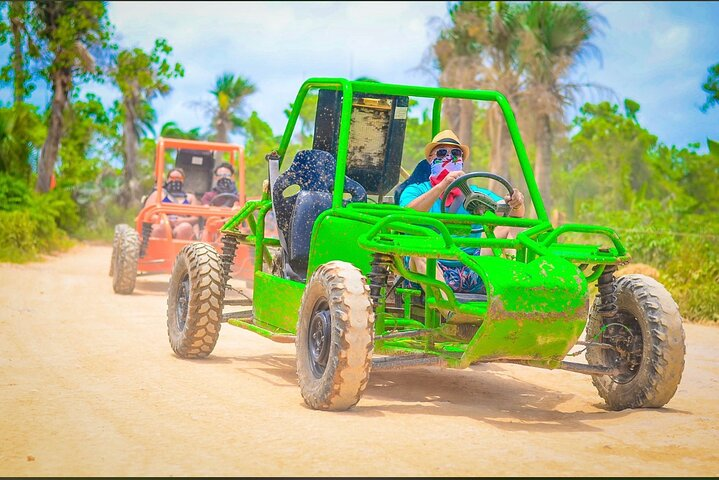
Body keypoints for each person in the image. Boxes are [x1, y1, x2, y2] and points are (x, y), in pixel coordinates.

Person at [398, 129, 525, 294]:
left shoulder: (474, 195)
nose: (449, 157)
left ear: (462, 160)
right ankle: (450, 311)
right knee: (419, 249)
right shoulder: (417, 190)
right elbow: (406, 216)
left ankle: (513, 298)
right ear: (430, 159)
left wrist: (516, 202)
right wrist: (442, 186)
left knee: (504, 230)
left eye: (456, 153)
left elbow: (514, 214)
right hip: (431, 266)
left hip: (471, 265)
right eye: (442, 152)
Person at [145, 168, 201, 240]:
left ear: (183, 180)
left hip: (182, 223)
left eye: (178, 178)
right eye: (172, 178)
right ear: (168, 179)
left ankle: (181, 250)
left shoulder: (190, 197)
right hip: (162, 222)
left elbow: (195, 218)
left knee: (185, 228)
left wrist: (181, 220)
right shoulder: (158, 194)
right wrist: (165, 220)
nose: (175, 180)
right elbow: (148, 213)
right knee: (162, 227)